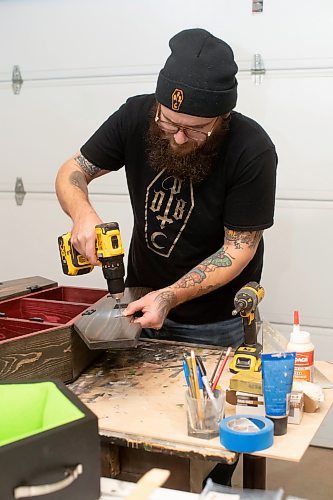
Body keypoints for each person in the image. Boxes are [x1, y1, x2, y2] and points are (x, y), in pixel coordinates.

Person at [55, 28, 277, 486]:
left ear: (224, 115)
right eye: (168, 122)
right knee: (138, 426)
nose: (177, 137)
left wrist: (170, 297)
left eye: (195, 128)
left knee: (211, 439)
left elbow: (239, 248)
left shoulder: (252, 150)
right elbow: (73, 170)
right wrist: (83, 215)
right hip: (139, 307)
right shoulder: (137, 115)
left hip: (215, 321)